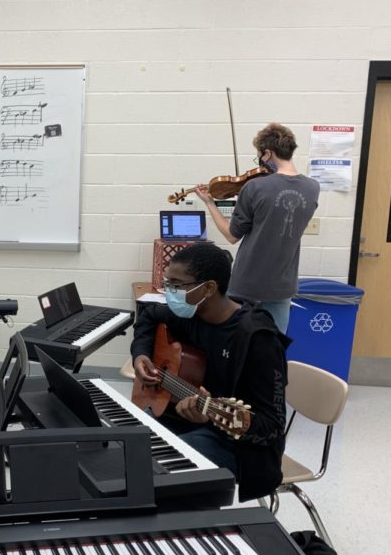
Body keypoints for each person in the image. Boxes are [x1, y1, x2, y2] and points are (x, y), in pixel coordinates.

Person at [131, 242, 290, 501]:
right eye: (166, 283)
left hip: (238, 446)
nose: (168, 291)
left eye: (176, 285)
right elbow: (148, 315)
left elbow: (271, 427)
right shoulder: (191, 313)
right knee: (126, 446)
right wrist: (141, 355)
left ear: (208, 288)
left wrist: (210, 415)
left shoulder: (258, 340)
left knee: (159, 466)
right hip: (186, 421)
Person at [195, 122, 319, 333]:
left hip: (247, 284)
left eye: (260, 156)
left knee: (239, 346)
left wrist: (209, 203)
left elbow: (232, 236)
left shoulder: (254, 186)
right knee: (272, 348)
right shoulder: (312, 188)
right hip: (283, 285)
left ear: (268, 153)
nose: (261, 161)